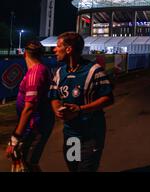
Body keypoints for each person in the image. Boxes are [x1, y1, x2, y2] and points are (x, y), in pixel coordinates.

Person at [49, 32, 114, 172]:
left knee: (85, 168)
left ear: (69, 49)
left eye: (58, 46)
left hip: (91, 135)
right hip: (71, 134)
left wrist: (80, 109)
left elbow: (108, 98)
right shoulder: (60, 73)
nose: (54, 50)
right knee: (73, 167)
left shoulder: (94, 71)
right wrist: (58, 111)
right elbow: (54, 97)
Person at [5, 41, 55, 172]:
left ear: (25, 54)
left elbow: (29, 108)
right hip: (34, 124)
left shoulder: (35, 73)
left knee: (25, 163)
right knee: (26, 163)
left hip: (34, 126)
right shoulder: (40, 69)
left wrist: (15, 137)